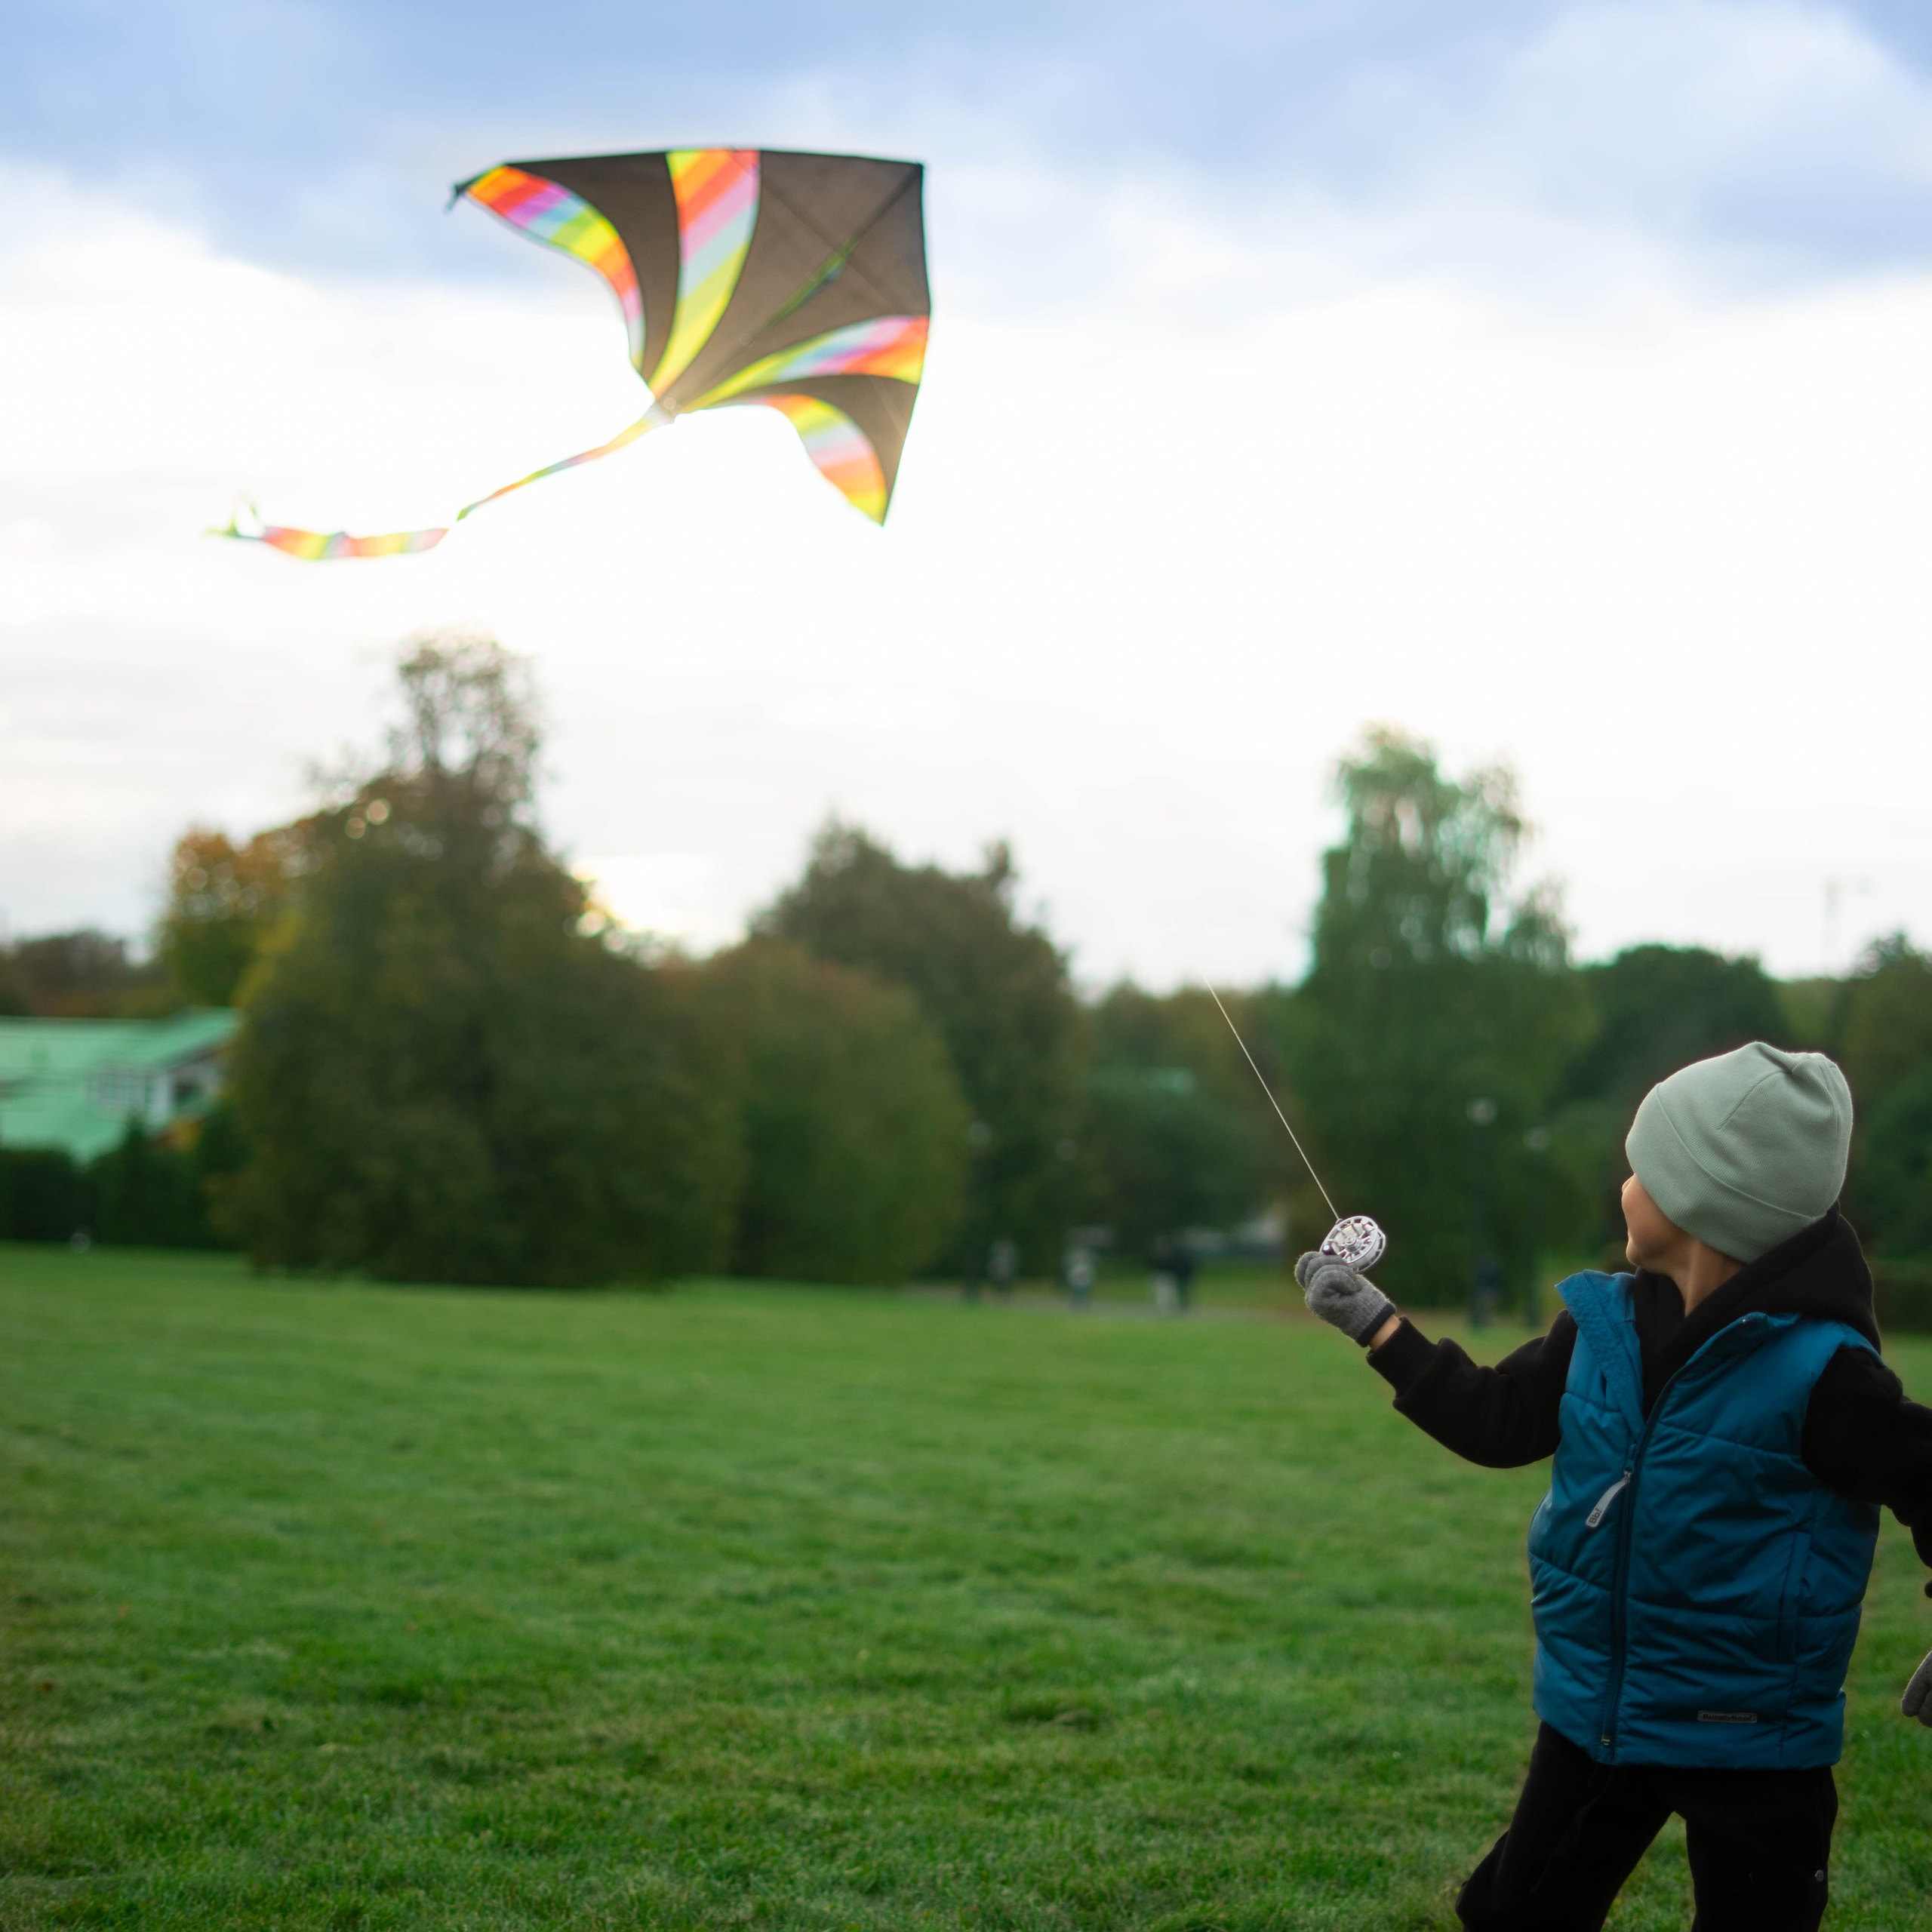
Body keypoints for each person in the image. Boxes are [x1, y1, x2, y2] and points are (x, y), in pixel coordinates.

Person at [1296, 1043, 1932, 1932]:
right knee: (1515, 1912)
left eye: (1642, 1169)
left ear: (1704, 1200)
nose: (1623, 1186)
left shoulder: (1823, 1374)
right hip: (1601, 1711)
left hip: (1753, 1736)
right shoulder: (1599, 1324)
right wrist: (1380, 1327)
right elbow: (1500, 1420)